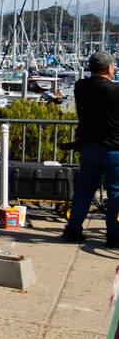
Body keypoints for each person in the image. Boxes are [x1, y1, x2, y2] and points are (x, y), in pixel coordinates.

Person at [62, 51, 119, 247]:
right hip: (114, 149)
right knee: (115, 194)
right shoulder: (115, 90)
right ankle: (113, 235)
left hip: (89, 147)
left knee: (84, 191)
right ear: (110, 68)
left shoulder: (81, 87)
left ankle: (73, 229)